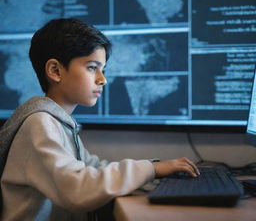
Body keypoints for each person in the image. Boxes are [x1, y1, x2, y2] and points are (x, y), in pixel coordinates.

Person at [0, 18, 199, 220]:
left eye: (102, 69)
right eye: (91, 67)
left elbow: (92, 168)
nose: (102, 79)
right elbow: (78, 189)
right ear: (55, 71)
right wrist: (151, 169)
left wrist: (154, 168)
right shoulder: (39, 124)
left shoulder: (59, 122)